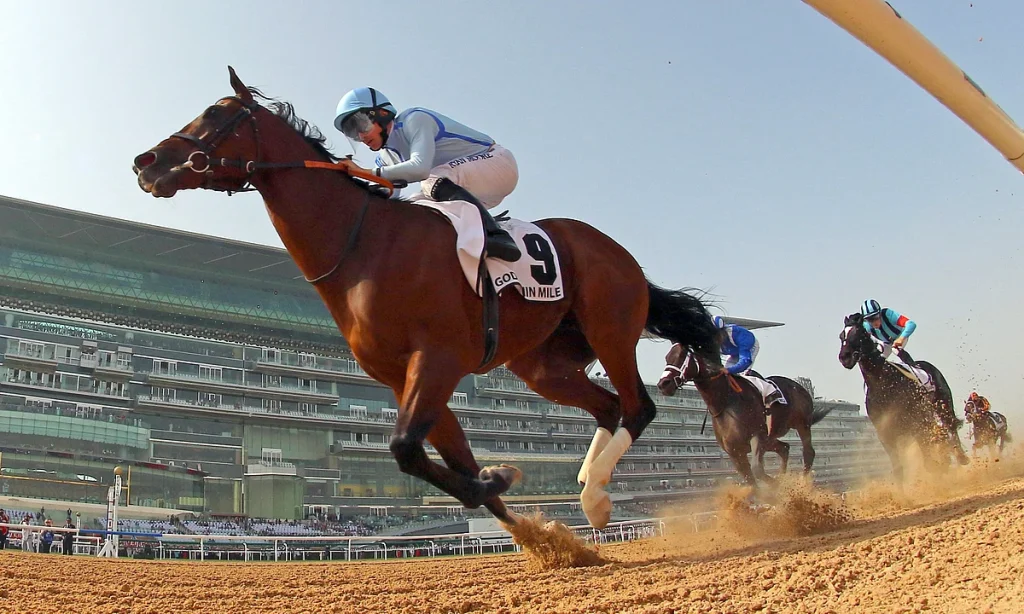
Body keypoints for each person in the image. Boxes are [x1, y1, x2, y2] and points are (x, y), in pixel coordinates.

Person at [333, 87, 521, 262]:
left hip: (498, 163)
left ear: (382, 113)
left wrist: (364, 172)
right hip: (471, 190)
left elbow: (420, 168)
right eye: (353, 132)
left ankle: (497, 236)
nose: (361, 136)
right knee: (413, 209)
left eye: (361, 125)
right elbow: (382, 202)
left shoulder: (414, 119)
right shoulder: (385, 158)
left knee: (433, 179)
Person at [713, 316, 784, 407]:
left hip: (749, 349)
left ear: (722, 331)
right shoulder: (711, 339)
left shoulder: (738, 334)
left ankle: (771, 391)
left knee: (744, 374)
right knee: (724, 376)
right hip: (734, 352)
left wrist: (729, 370)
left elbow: (745, 361)